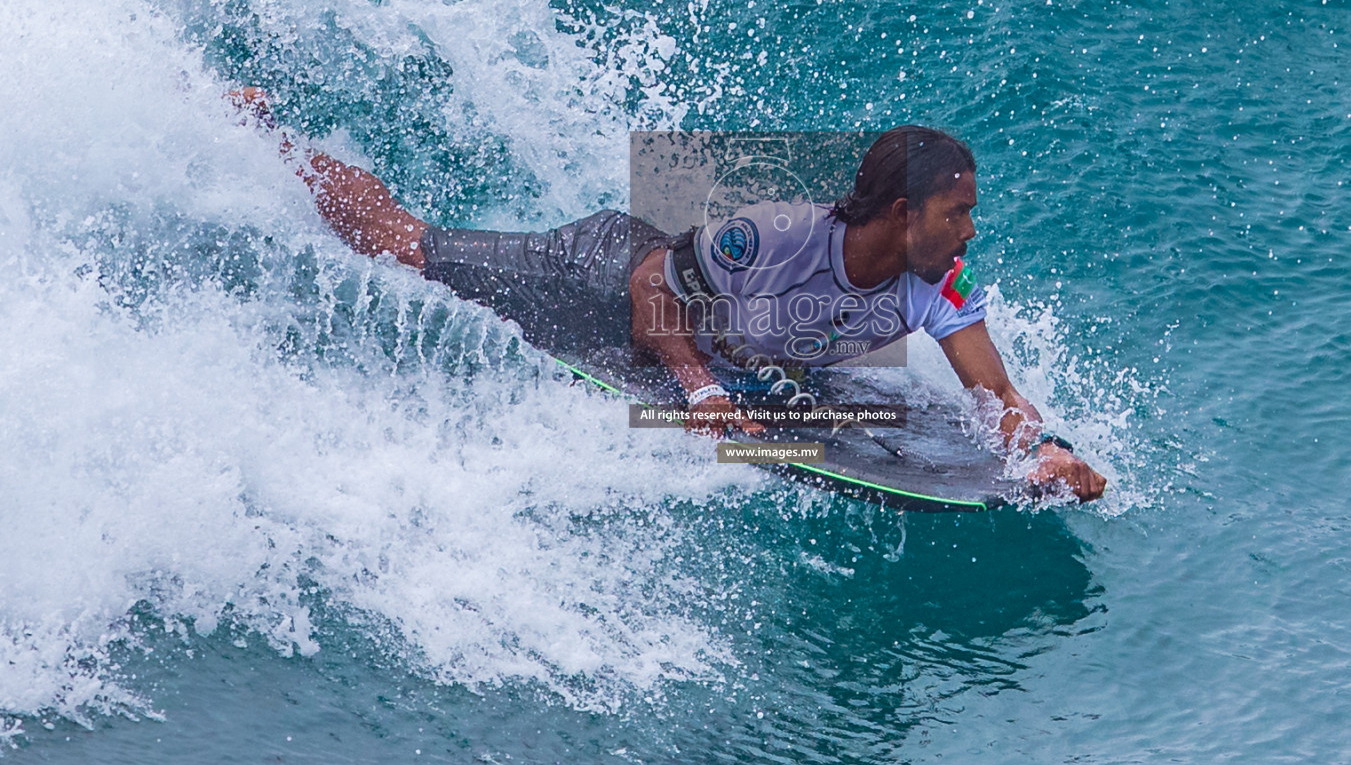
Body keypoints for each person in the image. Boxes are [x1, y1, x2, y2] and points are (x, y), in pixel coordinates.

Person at [229, 88, 1106, 503]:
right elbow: (656, 281)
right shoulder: (783, 232)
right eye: (960, 214)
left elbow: (994, 396)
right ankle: (273, 139)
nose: (971, 230)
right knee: (403, 247)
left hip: (724, 335)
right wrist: (701, 388)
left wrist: (1042, 450)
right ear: (908, 213)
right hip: (608, 278)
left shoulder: (936, 288)